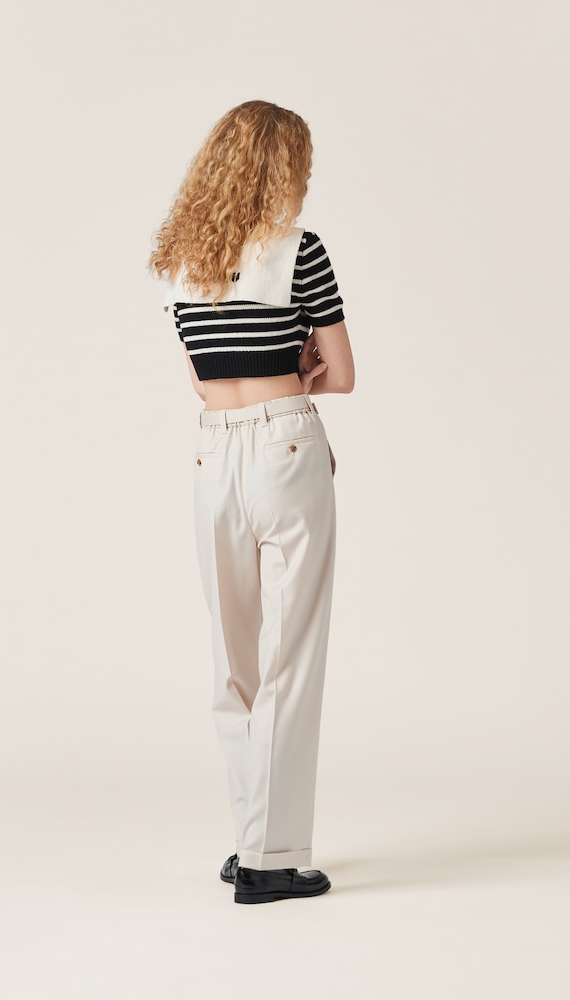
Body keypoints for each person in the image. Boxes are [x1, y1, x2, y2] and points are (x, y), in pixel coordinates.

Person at [150, 100, 355, 904]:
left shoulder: (183, 263)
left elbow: (204, 381)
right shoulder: (300, 251)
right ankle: (274, 857)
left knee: (232, 659)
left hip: (215, 453)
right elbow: (342, 374)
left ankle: (249, 841)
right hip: (286, 448)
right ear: (285, 167)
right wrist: (298, 372)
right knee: (290, 659)